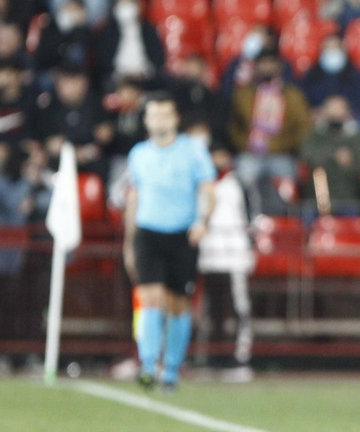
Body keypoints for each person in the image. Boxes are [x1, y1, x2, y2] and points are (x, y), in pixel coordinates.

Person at [123, 92, 216, 391]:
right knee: (150, 297)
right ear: (146, 120)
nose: (159, 121)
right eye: (153, 115)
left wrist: (202, 221)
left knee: (177, 304)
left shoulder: (194, 151)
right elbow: (134, 197)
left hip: (182, 233)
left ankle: (172, 369)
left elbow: (208, 191)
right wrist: (129, 240)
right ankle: (148, 364)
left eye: (165, 114)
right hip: (148, 231)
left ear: (175, 118)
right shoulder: (138, 154)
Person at [228, 50, 312, 216]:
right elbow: (233, 126)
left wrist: (281, 145)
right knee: (242, 177)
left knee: (288, 180)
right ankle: (248, 220)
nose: (267, 67)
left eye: (271, 63)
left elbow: (302, 128)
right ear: (256, 67)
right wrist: (245, 144)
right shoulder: (243, 94)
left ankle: (286, 222)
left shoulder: (292, 95)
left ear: (278, 67)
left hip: (281, 153)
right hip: (250, 153)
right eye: (263, 63)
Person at [197, 140, 255, 380]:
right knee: (211, 309)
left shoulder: (240, 183)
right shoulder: (201, 183)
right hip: (209, 253)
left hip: (234, 253)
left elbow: (252, 218)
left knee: (239, 306)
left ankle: (240, 357)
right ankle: (208, 357)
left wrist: (248, 248)